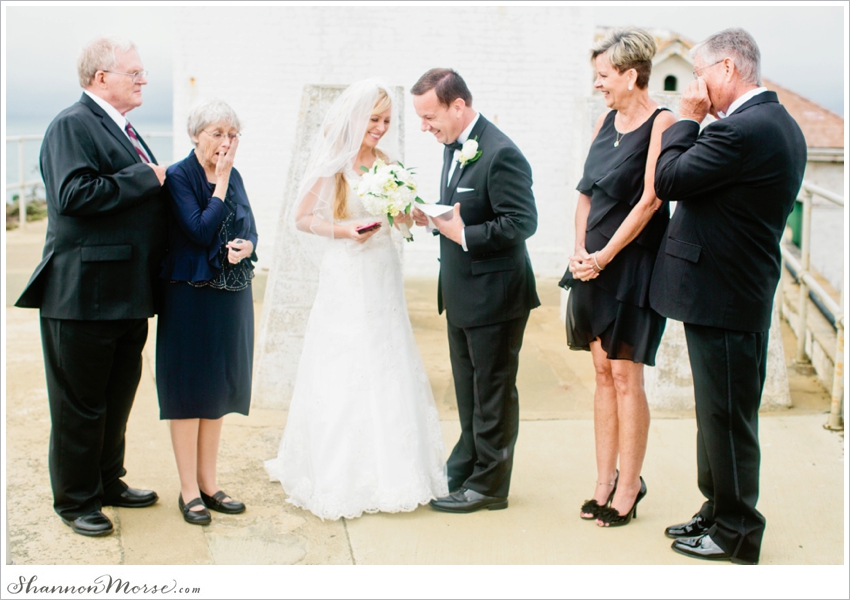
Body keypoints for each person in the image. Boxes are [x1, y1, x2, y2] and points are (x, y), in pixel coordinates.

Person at [650, 28, 806, 564]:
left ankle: (737, 531)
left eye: (699, 73)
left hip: (725, 294)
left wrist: (688, 118)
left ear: (726, 71)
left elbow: (668, 179)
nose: (695, 84)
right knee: (717, 411)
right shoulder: (775, 123)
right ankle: (716, 509)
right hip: (733, 290)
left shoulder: (740, 132)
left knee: (728, 416)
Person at [264, 80, 448, 521]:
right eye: (374, 120)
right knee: (345, 361)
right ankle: (338, 472)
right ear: (355, 119)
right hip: (347, 272)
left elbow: (397, 220)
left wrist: (410, 215)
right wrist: (344, 231)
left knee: (387, 357)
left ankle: (396, 470)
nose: (381, 128)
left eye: (386, 121)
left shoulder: (387, 163)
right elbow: (302, 218)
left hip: (382, 270)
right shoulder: (335, 163)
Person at [15, 36, 166, 537]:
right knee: (79, 404)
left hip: (125, 292)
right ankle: (76, 500)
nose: (144, 80)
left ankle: (107, 482)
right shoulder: (71, 125)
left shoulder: (122, 128)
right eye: (135, 73)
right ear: (102, 78)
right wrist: (148, 176)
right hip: (81, 294)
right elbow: (73, 193)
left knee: (118, 396)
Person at [411, 68, 539, 513]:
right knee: (469, 392)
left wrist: (464, 235)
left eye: (430, 116)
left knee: (494, 394)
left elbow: (522, 223)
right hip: (463, 293)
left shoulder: (502, 152)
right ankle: (466, 467)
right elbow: (462, 210)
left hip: (496, 296)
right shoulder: (454, 146)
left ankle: (489, 486)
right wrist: (433, 218)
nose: (425, 126)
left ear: (457, 106)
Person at [562, 29, 676, 527]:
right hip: (593, 264)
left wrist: (605, 254)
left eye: (604, 77)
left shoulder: (662, 122)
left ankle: (630, 484)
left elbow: (652, 200)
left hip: (632, 264)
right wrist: (579, 250)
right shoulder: (604, 121)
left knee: (627, 375)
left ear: (631, 75)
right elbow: (586, 193)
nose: (598, 86)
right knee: (602, 373)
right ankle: (603, 479)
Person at [157, 100, 257, 525]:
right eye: (216, 132)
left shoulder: (236, 176)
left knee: (217, 388)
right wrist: (219, 183)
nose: (225, 142)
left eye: (231, 134)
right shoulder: (179, 176)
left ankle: (210, 483)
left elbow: (248, 224)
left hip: (229, 293)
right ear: (196, 134)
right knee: (187, 391)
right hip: (189, 296)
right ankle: (187, 490)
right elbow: (198, 229)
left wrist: (248, 245)